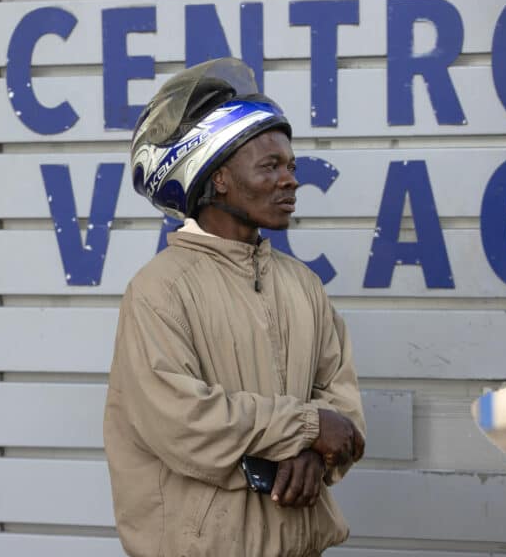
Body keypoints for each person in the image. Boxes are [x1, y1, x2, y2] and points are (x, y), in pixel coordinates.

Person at [103, 58, 366, 557]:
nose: (290, 180)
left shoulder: (305, 286)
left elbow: (345, 412)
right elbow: (181, 422)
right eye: (270, 166)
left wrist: (314, 456)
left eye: (291, 166)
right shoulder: (159, 290)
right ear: (218, 178)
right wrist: (307, 430)